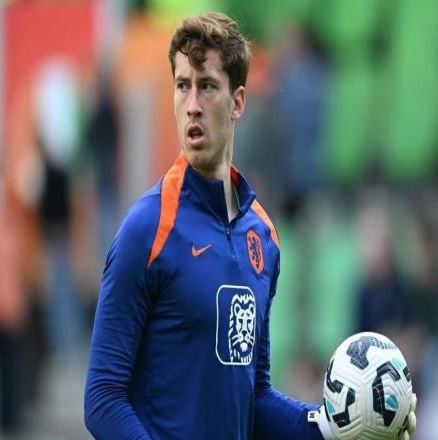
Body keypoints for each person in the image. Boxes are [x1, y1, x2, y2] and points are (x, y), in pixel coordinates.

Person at [84, 12, 416, 439]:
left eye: (207, 86)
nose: (192, 105)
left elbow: (254, 397)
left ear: (238, 102)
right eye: (182, 86)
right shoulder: (147, 229)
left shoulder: (262, 237)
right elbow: (103, 399)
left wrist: (336, 427)